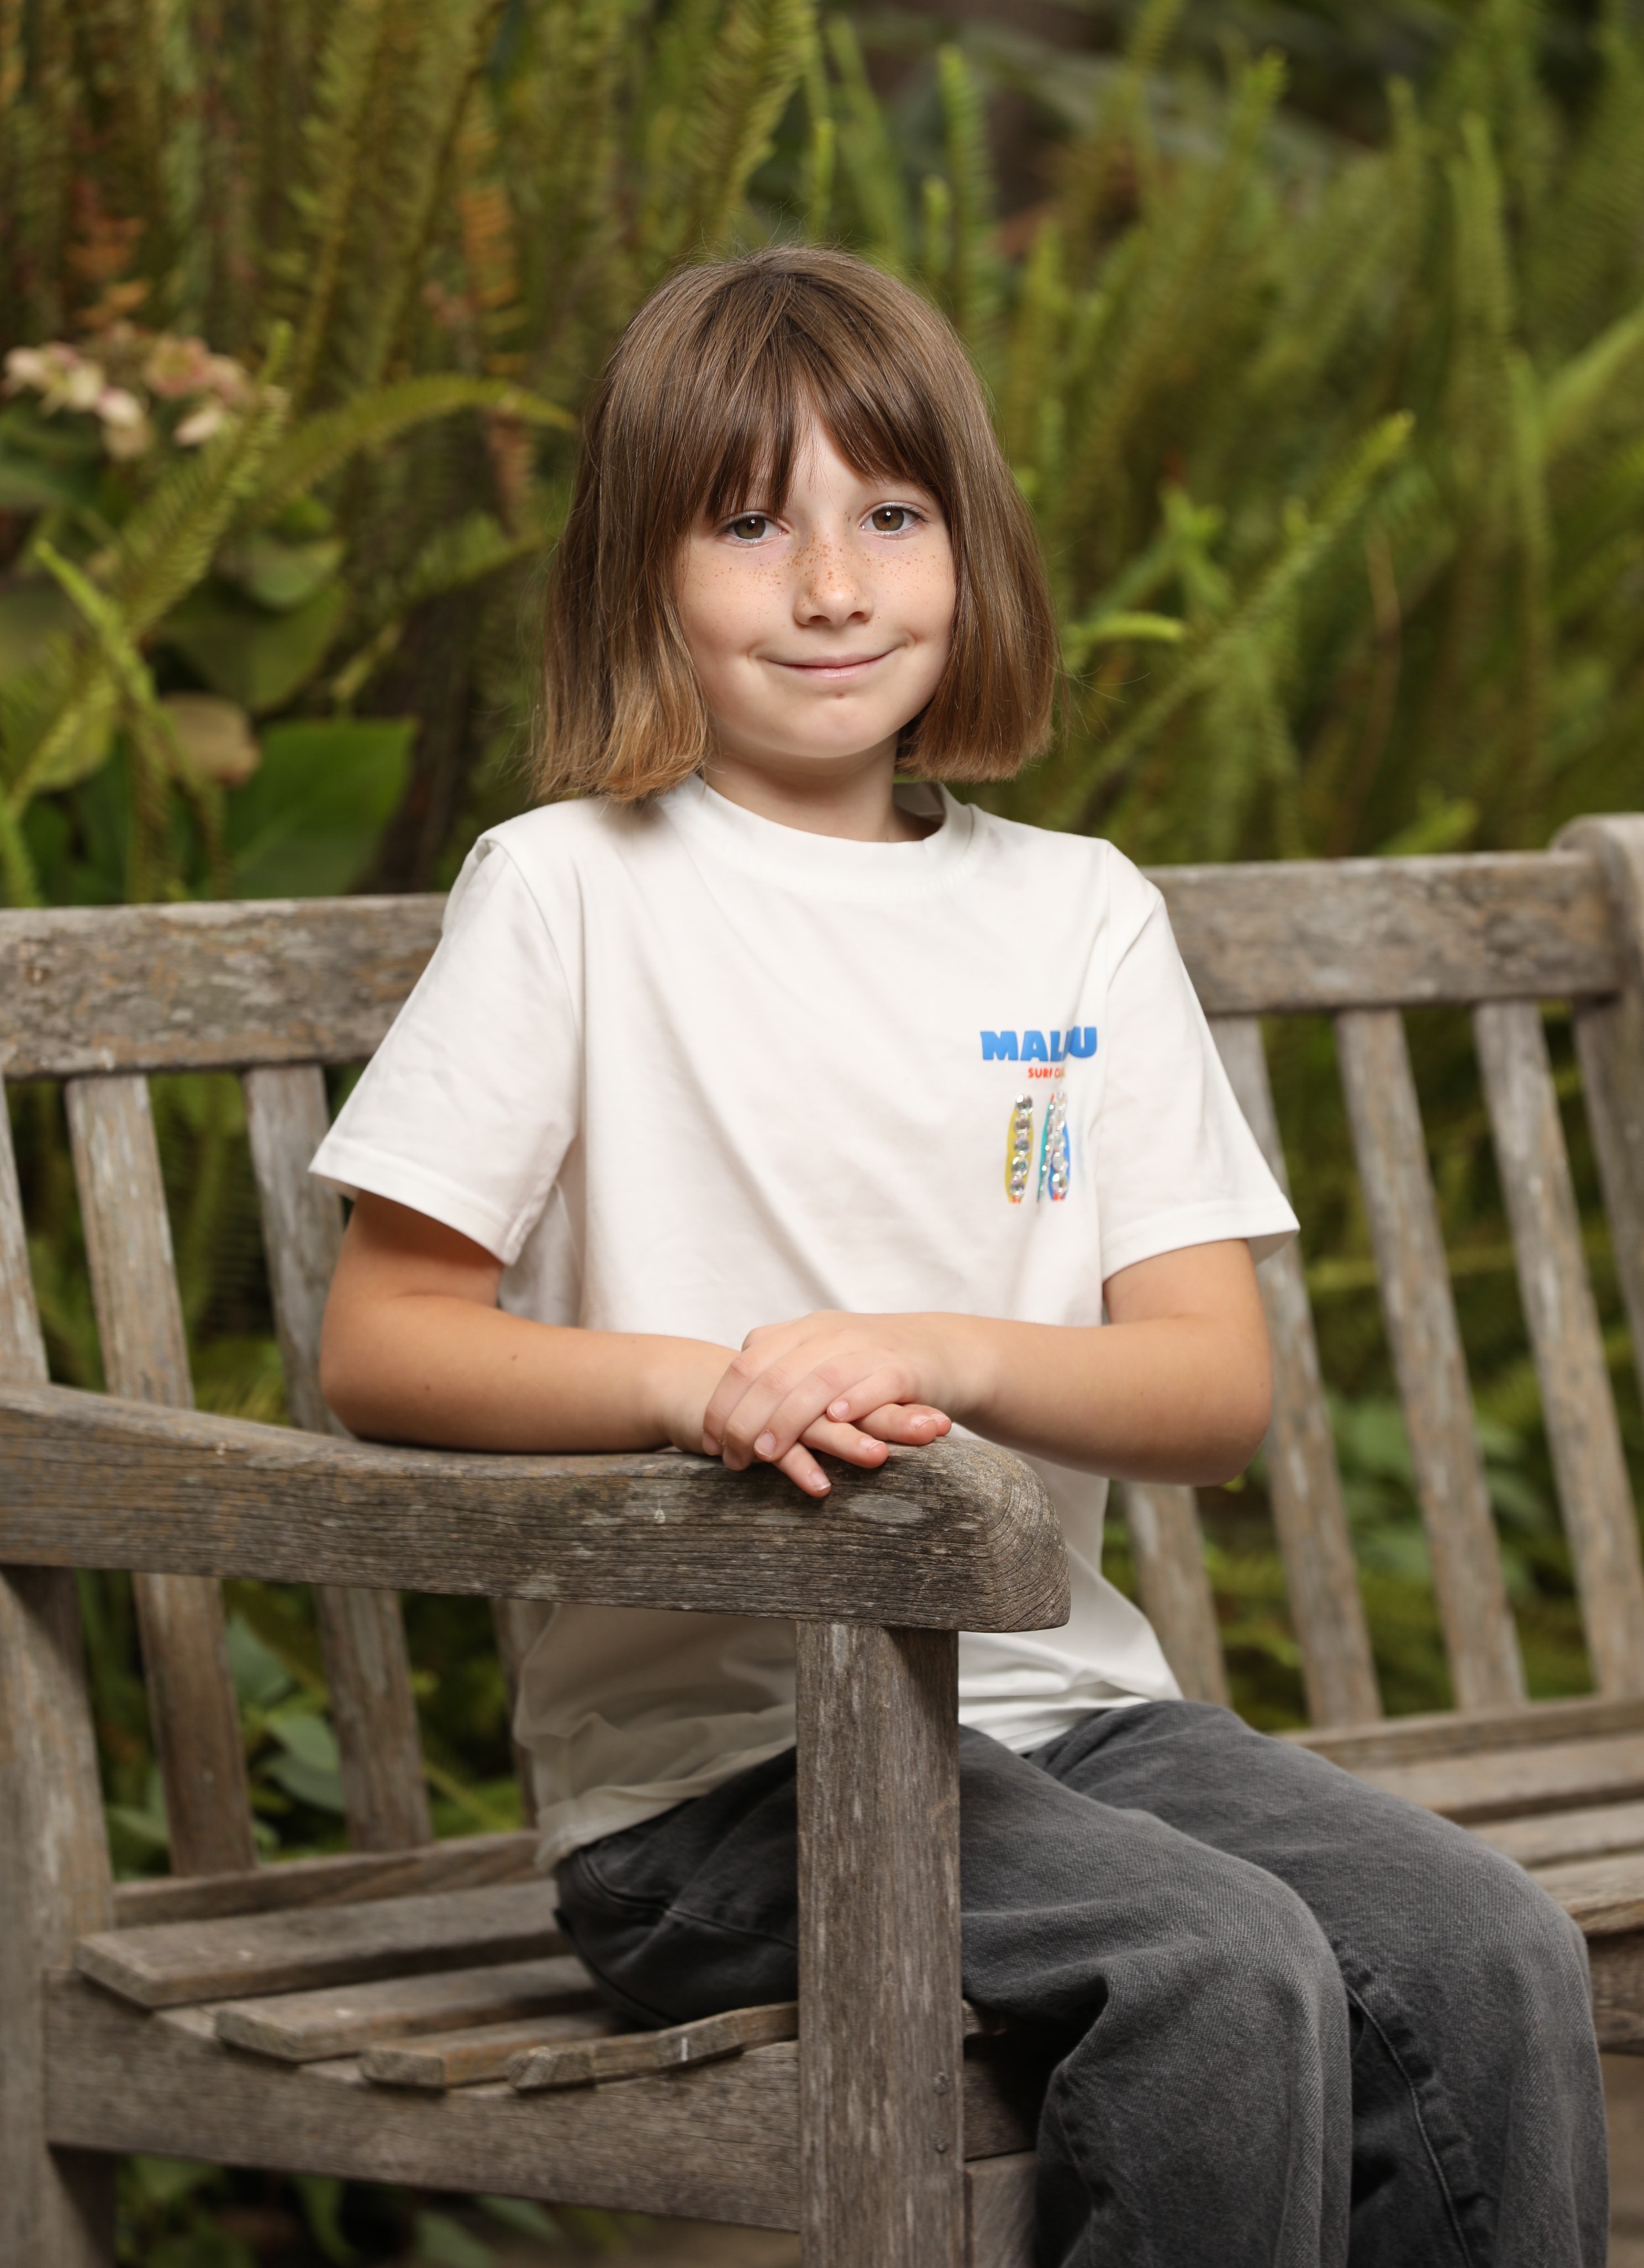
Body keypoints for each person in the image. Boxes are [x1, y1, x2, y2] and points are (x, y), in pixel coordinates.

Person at [314, 245, 1605, 2267]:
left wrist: (939, 1348)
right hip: (719, 1794)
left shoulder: (1079, 915)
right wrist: (707, 1389)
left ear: (971, 550)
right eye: (753, 525)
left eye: (893, 516)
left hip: (1076, 1719)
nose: (833, 587)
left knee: (1488, 1947)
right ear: (640, 573)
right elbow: (385, 1339)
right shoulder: (566, 895)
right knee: (1222, 1972)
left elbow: (1211, 1389)